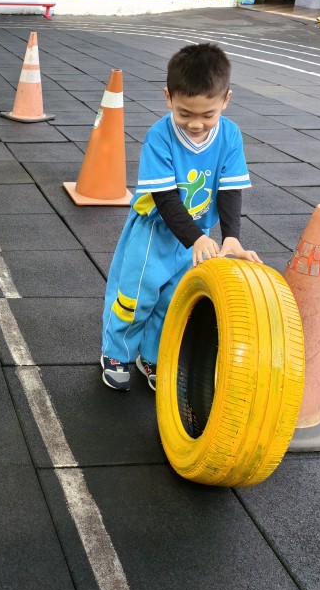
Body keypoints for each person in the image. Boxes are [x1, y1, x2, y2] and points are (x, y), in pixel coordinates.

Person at [100, 43, 262, 392]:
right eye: (185, 113)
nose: (196, 124)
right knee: (136, 298)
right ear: (168, 98)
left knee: (172, 302)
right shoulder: (160, 137)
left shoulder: (230, 135)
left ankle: (151, 356)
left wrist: (231, 236)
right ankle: (116, 353)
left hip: (194, 237)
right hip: (154, 232)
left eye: (208, 115)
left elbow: (230, 189)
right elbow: (165, 199)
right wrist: (197, 238)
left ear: (226, 101)